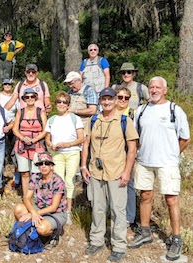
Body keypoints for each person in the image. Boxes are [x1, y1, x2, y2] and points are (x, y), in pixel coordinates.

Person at [129, 77, 191, 261]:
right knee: (145, 196)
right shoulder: (142, 110)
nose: (154, 90)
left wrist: (172, 154)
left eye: (158, 87)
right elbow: (135, 135)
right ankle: (145, 231)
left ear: (165, 90)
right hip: (145, 161)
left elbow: (185, 138)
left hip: (167, 163)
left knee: (171, 199)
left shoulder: (174, 110)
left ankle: (176, 238)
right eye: (151, 87)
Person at [81, 88, 138, 262]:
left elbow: (132, 148)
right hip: (96, 172)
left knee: (117, 210)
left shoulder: (124, 120)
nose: (106, 102)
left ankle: (119, 246)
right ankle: (97, 240)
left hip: (116, 172)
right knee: (97, 208)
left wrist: (127, 172)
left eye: (110, 99)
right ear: (99, 101)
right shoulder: (93, 120)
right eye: (103, 99)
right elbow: (86, 143)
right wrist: (83, 166)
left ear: (115, 101)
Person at [45, 91, 84, 225]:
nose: (61, 104)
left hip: (72, 152)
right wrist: (51, 145)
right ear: (56, 104)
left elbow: (81, 138)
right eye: (59, 102)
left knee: (69, 181)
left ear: (68, 104)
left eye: (64, 102)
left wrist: (67, 144)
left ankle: (68, 211)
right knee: (58, 181)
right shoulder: (52, 120)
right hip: (57, 154)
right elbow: (48, 138)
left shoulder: (75, 119)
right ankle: (58, 208)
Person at [13, 152, 67, 238]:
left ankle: (52, 233)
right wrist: (33, 212)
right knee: (18, 209)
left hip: (56, 213)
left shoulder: (57, 181)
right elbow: (26, 198)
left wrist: (33, 214)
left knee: (41, 228)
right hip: (39, 208)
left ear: (51, 165)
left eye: (47, 163)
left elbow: (54, 207)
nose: (44, 166)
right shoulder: (35, 177)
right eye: (41, 164)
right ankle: (26, 233)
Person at [12, 88, 47, 197]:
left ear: (36, 98)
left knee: (36, 173)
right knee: (24, 173)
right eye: (27, 97)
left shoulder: (40, 111)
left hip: (37, 145)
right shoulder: (20, 112)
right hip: (22, 146)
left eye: (32, 96)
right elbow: (14, 129)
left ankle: (36, 196)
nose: (30, 99)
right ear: (24, 99)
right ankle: (26, 197)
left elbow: (46, 129)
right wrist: (23, 138)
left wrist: (36, 139)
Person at [115, 87, 138, 228]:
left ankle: (129, 217)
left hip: (129, 151)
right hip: (113, 153)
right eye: (120, 97)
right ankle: (115, 213)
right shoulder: (109, 113)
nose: (123, 100)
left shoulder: (133, 114)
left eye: (126, 98)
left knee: (129, 183)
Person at [0, 78, 19, 164]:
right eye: (5, 84)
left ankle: (11, 161)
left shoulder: (14, 97)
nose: (7, 86)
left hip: (13, 123)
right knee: (2, 143)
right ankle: (3, 161)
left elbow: (18, 109)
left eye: (9, 84)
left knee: (13, 142)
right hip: (1, 123)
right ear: (2, 85)